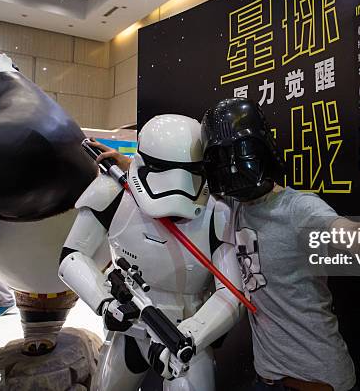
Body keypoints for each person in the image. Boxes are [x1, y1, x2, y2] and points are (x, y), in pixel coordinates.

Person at [199, 98, 360, 391]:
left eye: (239, 153)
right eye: (222, 158)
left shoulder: (298, 208)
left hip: (315, 381)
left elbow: (356, 237)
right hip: (267, 378)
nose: (233, 168)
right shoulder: (234, 207)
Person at [58, 116, 242, 391]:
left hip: (185, 337)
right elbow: (72, 257)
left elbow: (232, 294)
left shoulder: (217, 213)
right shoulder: (113, 192)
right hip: (128, 330)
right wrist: (105, 303)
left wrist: (190, 337)